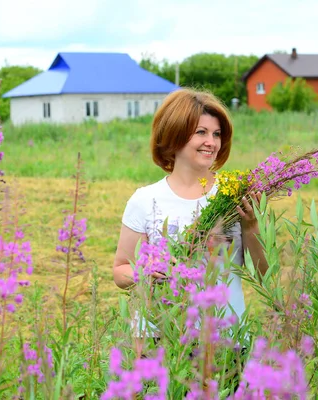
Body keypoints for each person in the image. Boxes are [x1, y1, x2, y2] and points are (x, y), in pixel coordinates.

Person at [113, 88, 269, 321]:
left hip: (225, 338)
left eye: (217, 134)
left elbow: (263, 275)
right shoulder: (145, 200)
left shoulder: (234, 197)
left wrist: (250, 226)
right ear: (174, 134)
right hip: (164, 339)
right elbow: (120, 270)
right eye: (201, 132)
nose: (212, 143)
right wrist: (145, 273)